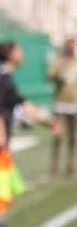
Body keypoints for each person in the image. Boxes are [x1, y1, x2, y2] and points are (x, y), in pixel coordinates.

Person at [0, 41, 57, 227]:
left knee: (3, 177)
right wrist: (0, 134)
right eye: (18, 51)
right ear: (10, 54)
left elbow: (21, 103)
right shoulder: (0, 78)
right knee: (0, 179)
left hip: (3, 131)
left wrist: (47, 120)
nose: (22, 54)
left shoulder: (6, 76)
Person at [48, 38, 77, 178]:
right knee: (58, 135)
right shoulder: (59, 61)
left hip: (74, 103)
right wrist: (61, 71)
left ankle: (71, 164)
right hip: (61, 102)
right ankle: (55, 165)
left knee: (73, 136)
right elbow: (49, 74)